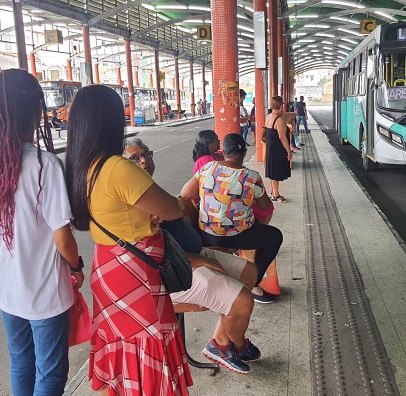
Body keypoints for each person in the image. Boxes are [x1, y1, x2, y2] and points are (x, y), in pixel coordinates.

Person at [65, 85, 192, 396]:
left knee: (117, 351)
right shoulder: (118, 168)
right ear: (110, 122)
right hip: (137, 276)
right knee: (149, 350)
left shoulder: (79, 168)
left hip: (106, 271)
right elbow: (173, 208)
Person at [0, 69, 84, 396]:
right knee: (51, 374)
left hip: (5, 283)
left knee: (21, 361)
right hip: (42, 288)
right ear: (36, 110)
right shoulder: (45, 164)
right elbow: (62, 238)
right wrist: (77, 267)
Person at [124, 137, 261, 374]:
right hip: (174, 271)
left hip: (193, 254)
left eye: (146, 153)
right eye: (134, 158)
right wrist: (202, 260)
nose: (144, 161)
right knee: (243, 301)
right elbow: (152, 251)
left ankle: (219, 342)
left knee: (249, 272)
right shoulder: (131, 200)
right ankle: (237, 343)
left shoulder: (149, 189)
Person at [181, 133, 282, 305]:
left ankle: (241, 276)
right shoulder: (252, 177)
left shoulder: (207, 168)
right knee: (275, 236)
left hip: (207, 234)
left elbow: (185, 194)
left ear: (223, 151)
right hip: (238, 236)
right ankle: (253, 279)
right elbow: (265, 206)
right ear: (243, 154)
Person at [265, 96, 292, 203]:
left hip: (270, 148)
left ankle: (272, 192)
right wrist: (288, 151)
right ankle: (276, 195)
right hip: (277, 149)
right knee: (275, 172)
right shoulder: (279, 120)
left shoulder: (269, 117)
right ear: (281, 106)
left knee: (272, 172)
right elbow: (282, 137)